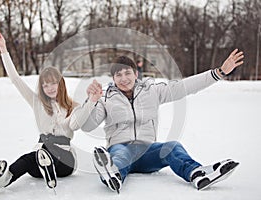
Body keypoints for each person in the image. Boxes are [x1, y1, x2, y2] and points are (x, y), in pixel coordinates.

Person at [82, 49, 244, 192]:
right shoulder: (105, 99)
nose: (123, 78)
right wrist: (91, 102)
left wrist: (219, 72)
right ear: (113, 78)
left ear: (136, 74)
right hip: (120, 147)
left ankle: (197, 174)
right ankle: (113, 174)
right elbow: (88, 126)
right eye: (118, 75)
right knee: (121, 155)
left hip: (147, 151)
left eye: (127, 73)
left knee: (173, 147)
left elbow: (185, 86)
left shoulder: (152, 91)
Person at [0, 30, 99, 194]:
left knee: (44, 152)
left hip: (66, 161)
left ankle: (48, 166)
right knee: (28, 158)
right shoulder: (38, 103)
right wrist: (3, 49)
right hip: (41, 155)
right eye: (45, 85)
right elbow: (15, 79)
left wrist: (91, 102)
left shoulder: (73, 106)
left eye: (53, 83)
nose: (49, 88)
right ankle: (2, 180)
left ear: (60, 83)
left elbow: (75, 125)